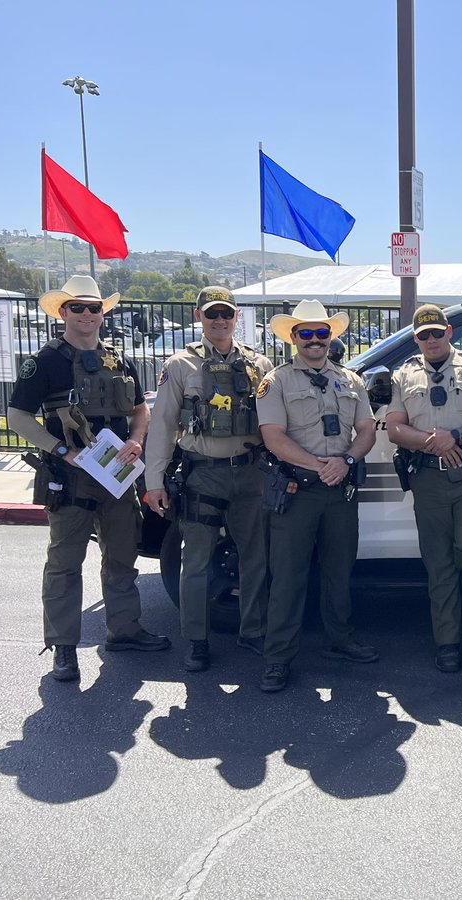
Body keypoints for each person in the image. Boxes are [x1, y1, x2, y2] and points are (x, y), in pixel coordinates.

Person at [6, 275, 170, 681]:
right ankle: (63, 647)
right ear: (62, 312)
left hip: (116, 476)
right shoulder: (45, 362)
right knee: (65, 564)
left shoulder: (118, 359)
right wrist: (61, 450)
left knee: (122, 558)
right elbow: (17, 417)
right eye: (77, 307)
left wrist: (135, 440)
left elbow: (139, 409)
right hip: (70, 477)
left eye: (94, 307)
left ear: (102, 313)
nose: (86, 314)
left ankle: (125, 630)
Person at [145, 286, 274, 672]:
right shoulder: (180, 364)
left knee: (255, 557)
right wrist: (155, 481)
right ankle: (197, 641)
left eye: (227, 313)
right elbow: (164, 424)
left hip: (250, 473)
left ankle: (252, 631)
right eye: (212, 313)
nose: (220, 320)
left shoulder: (259, 364)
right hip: (203, 474)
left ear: (236, 317)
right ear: (198, 315)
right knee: (196, 561)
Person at [254, 300, 380, 692]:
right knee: (288, 576)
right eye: (305, 333)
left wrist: (344, 460)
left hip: (339, 488)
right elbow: (273, 438)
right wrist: (317, 464)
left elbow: (367, 430)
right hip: (298, 491)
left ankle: (340, 640)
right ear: (293, 338)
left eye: (321, 333)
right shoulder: (275, 382)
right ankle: (277, 658)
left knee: (339, 571)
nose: (314, 340)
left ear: (331, 337)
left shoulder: (351, 381)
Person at [386, 304, 462, 673]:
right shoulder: (403, 374)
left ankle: (451, 592)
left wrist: (454, 437)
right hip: (427, 476)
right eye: (423, 335)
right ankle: (447, 642)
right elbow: (394, 428)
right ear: (415, 338)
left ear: (449, 332)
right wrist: (433, 443)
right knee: (437, 559)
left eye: (437, 332)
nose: (431, 339)